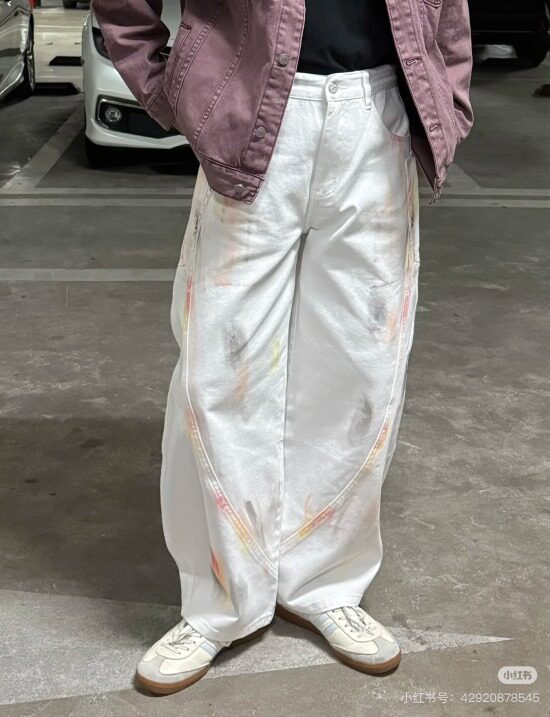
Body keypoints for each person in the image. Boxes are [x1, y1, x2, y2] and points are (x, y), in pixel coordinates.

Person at [93, 0, 474, 695]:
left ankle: (325, 583)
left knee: (361, 370)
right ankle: (220, 601)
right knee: (220, 370)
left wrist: (447, 90)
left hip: (380, 115)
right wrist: (174, 89)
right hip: (250, 108)